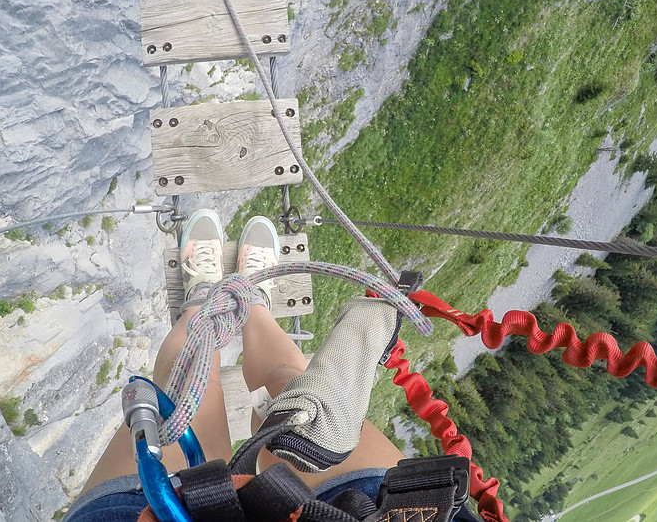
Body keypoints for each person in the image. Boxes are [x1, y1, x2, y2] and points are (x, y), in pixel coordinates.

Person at [64, 209, 406, 521]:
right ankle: (253, 304)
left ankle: (204, 300)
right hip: (380, 507)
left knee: (181, 392)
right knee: (295, 398)